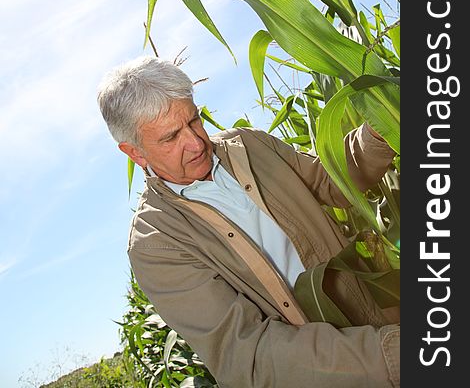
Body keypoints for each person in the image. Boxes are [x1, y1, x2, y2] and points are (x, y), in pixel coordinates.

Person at [97, 55, 400, 388]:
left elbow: (332, 181)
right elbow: (251, 354)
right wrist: (390, 355)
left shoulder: (250, 146)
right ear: (134, 152)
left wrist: (383, 127)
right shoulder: (155, 244)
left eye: (194, 120)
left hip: (380, 317)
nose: (197, 142)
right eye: (171, 138)